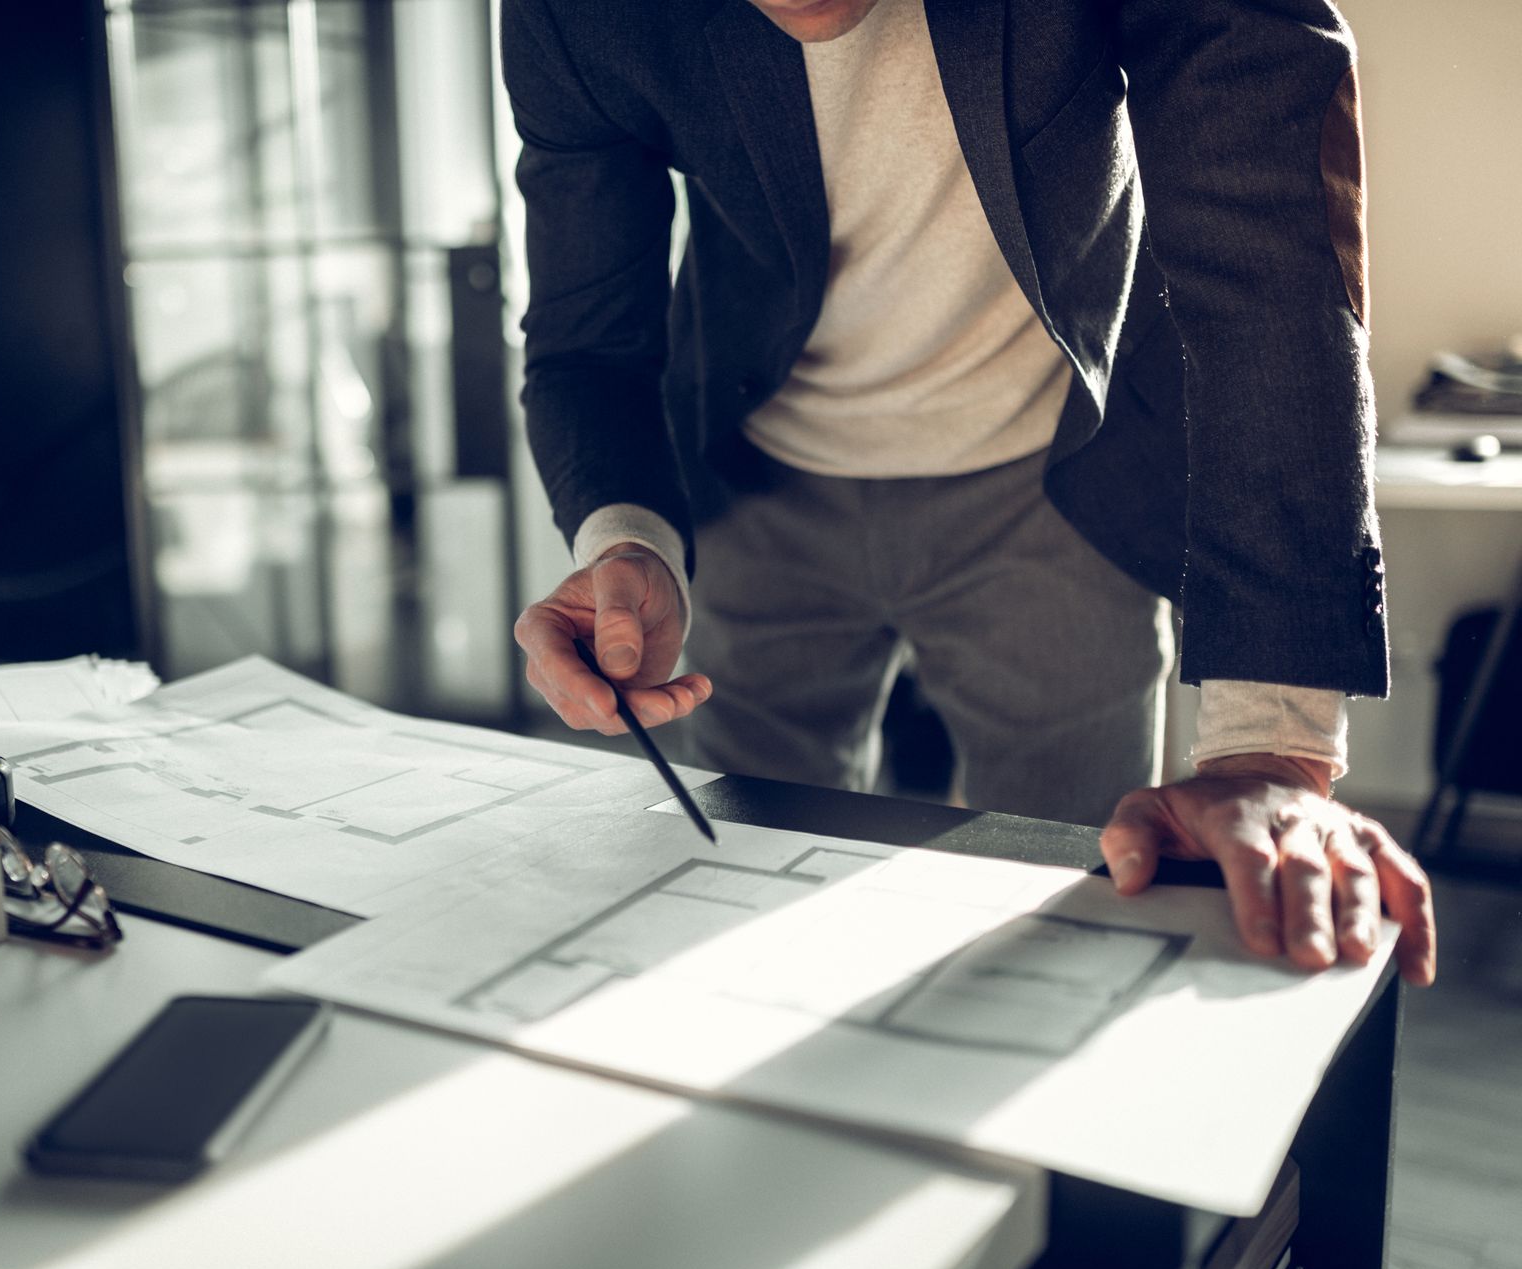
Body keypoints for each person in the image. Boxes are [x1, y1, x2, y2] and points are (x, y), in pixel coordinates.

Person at [503, 0, 1437, 985]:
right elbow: (589, 337)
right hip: (754, 488)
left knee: (1076, 938)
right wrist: (626, 537)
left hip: (1054, 481)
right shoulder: (573, 16)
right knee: (739, 920)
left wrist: (1272, 746)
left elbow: (1264, 258)